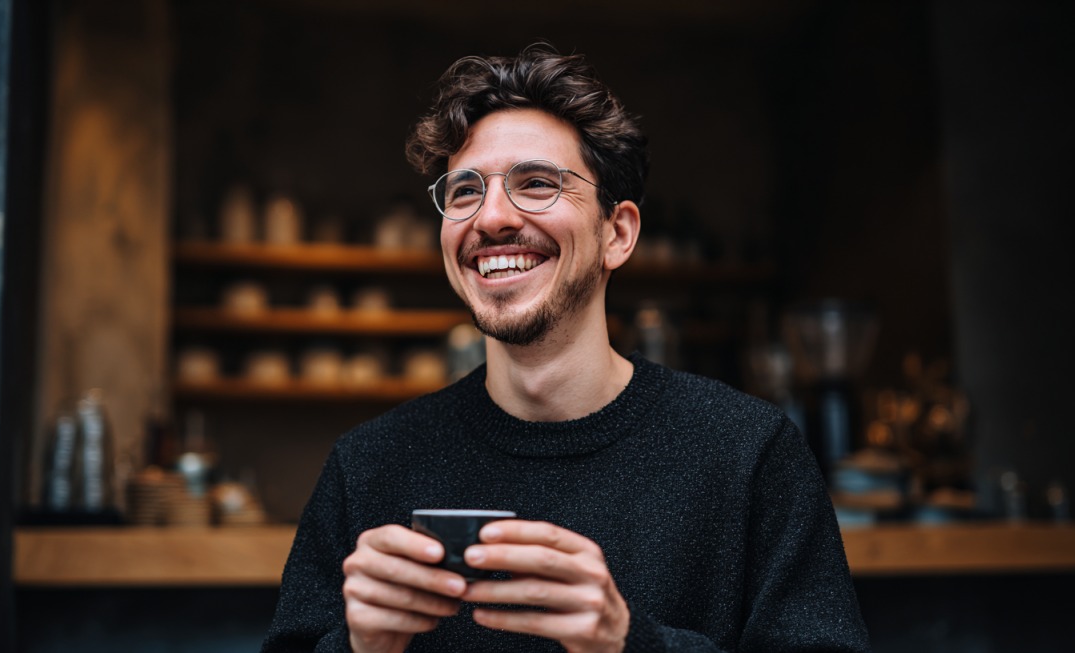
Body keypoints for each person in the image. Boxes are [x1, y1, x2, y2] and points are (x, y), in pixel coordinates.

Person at [261, 44, 870, 653]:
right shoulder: (367, 467)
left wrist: (627, 643)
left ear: (618, 233)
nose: (492, 217)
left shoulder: (749, 455)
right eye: (465, 190)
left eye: (536, 183)